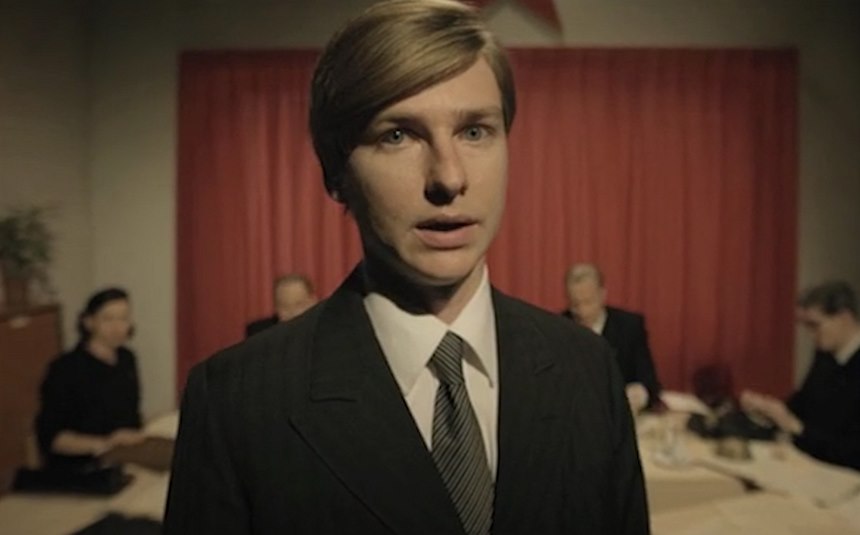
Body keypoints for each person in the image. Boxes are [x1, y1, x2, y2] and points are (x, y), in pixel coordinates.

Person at [164, 1, 649, 533]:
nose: (449, 177)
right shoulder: (235, 402)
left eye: (474, 131)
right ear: (334, 172)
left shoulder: (588, 368)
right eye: (398, 135)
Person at [741, 280, 860, 471]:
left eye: (815, 325)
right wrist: (768, 411)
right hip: (811, 462)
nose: (811, 335)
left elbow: (852, 451)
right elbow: (804, 403)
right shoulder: (825, 355)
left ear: (844, 318)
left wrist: (796, 427)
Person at [35, 287, 144, 473]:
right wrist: (106, 443)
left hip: (123, 459)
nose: (118, 327)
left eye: (124, 318)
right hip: (80, 467)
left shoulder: (126, 359)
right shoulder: (65, 368)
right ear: (89, 322)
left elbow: (131, 418)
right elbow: (52, 438)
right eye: (108, 319)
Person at [562, 262, 662, 412]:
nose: (582, 312)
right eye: (575, 304)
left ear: (602, 295)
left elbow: (649, 381)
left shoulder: (629, 327)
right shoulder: (559, 327)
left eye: (588, 302)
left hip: (623, 411)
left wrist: (640, 393)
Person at [245, 273, 318, 337]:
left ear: (313, 302)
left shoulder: (322, 330)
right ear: (276, 307)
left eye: (299, 305)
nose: (292, 312)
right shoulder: (259, 333)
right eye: (285, 306)